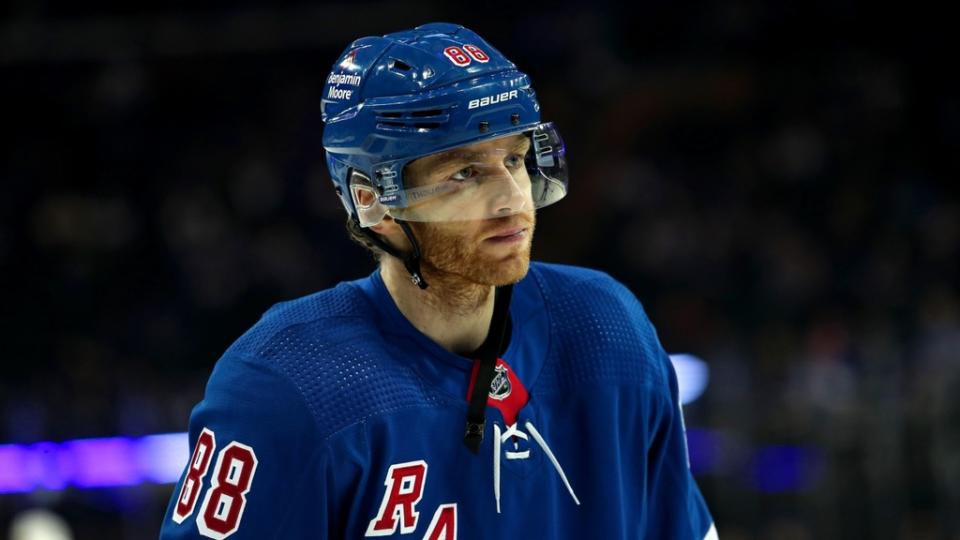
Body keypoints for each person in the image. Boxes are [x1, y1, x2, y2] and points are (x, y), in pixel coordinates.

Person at [159, 22, 717, 539]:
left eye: (516, 160)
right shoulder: (285, 383)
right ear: (373, 201)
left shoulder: (610, 328)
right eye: (464, 173)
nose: (512, 199)